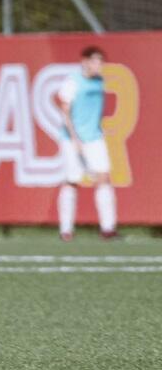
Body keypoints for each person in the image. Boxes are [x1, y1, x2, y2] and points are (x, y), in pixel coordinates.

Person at [57, 46, 117, 241]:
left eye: (101, 61)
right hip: (73, 139)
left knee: (104, 177)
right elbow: (65, 111)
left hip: (95, 137)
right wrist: (75, 139)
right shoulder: (72, 82)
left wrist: (99, 128)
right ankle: (66, 230)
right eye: (95, 61)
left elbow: (93, 110)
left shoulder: (100, 81)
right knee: (72, 180)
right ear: (84, 61)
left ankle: (108, 229)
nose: (99, 65)